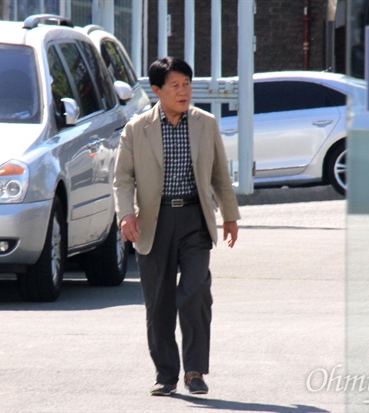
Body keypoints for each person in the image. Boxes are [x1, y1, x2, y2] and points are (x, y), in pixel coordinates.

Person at [113, 57, 240, 396]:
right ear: (157, 91)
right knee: (159, 302)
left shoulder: (205, 124)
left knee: (195, 290)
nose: (184, 91)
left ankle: (195, 371)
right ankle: (166, 374)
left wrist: (230, 216)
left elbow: (219, 176)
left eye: (187, 84)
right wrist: (127, 214)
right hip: (154, 221)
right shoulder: (137, 129)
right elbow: (122, 178)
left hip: (195, 220)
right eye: (175, 86)